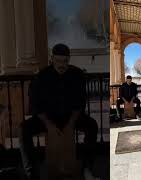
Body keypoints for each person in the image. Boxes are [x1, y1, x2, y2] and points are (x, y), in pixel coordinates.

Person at [19, 44, 98, 180]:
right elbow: (36, 104)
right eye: (58, 61)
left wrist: (70, 124)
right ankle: (32, 174)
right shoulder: (42, 76)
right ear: (52, 59)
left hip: (70, 117)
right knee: (23, 129)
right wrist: (48, 124)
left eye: (65, 61)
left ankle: (87, 169)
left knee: (92, 125)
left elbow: (80, 103)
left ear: (69, 59)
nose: (61, 65)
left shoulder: (77, 74)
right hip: (47, 118)